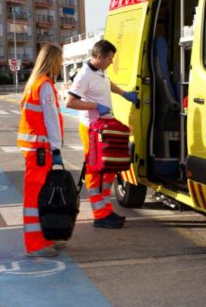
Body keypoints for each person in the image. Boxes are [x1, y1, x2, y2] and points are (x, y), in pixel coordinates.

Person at [65, 39, 139, 229]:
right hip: (92, 128)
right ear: (99, 57)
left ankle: (106, 210)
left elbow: (107, 83)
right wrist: (95, 105)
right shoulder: (83, 75)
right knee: (95, 170)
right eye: (109, 59)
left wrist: (124, 94)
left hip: (104, 127)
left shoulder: (100, 71)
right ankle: (99, 215)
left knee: (107, 169)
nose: (111, 62)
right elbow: (70, 102)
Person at [17, 43, 65, 256]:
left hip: (33, 148)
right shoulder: (44, 85)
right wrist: (56, 148)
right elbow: (51, 119)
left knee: (38, 195)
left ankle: (44, 238)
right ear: (53, 61)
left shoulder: (33, 84)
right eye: (60, 60)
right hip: (41, 149)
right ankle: (36, 244)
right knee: (37, 196)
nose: (61, 64)